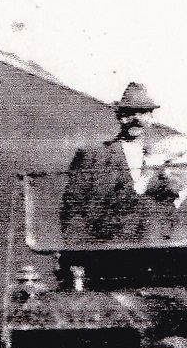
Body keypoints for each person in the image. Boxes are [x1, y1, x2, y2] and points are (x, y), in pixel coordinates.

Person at [59, 81, 159, 241]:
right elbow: (72, 208)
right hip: (101, 254)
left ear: (151, 118)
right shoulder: (93, 156)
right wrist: (77, 255)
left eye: (143, 113)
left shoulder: (157, 161)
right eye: (129, 113)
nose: (136, 119)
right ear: (119, 116)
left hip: (143, 257)